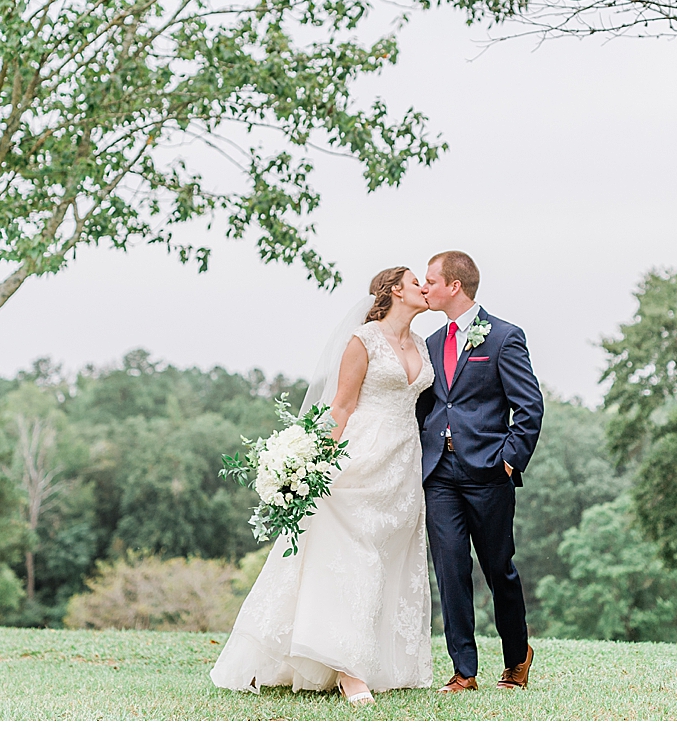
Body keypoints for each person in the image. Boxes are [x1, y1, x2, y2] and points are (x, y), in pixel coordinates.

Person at [210, 267, 435, 705]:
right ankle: (351, 673)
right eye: (415, 283)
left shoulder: (422, 345)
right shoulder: (363, 340)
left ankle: (380, 662)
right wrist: (315, 468)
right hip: (359, 460)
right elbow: (341, 407)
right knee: (355, 557)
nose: (424, 288)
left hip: (404, 465)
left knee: (390, 558)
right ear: (393, 291)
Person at [416, 250, 543, 693]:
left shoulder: (504, 337)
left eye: (431, 280)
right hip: (439, 475)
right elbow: (429, 406)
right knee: (450, 570)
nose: (424, 287)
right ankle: (464, 671)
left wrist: (508, 460)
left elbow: (529, 407)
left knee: (497, 568)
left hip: (489, 472)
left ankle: (515, 658)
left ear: (455, 285)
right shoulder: (429, 344)